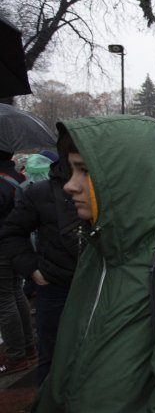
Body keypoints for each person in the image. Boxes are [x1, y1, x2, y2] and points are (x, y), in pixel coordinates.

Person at [34, 115, 155, 412]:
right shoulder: (99, 245)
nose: (69, 186)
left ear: (125, 176)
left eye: (84, 171)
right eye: (70, 170)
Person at [0, 159, 81, 384]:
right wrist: (32, 269)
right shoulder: (40, 192)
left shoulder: (112, 189)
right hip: (55, 287)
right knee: (52, 356)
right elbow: (13, 232)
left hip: (101, 286)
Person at [0, 150, 34, 377]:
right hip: (18, 243)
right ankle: (27, 345)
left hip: (2, 242)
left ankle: (16, 354)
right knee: (14, 290)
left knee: (3, 298)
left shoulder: (1, 181)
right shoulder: (18, 177)